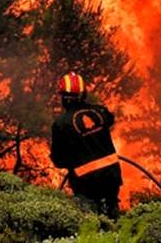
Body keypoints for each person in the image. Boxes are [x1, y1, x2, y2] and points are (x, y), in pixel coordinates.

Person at [49, 72, 122, 219]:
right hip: (111, 176)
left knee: (89, 221)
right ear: (84, 94)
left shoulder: (61, 123)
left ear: (63, 98)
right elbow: (110, 119)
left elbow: (58, 160)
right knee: (112, 216)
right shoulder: (100, 112)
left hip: (86, 183)